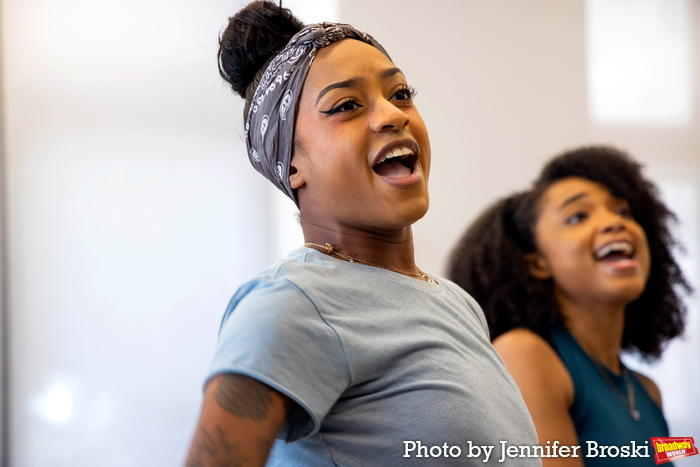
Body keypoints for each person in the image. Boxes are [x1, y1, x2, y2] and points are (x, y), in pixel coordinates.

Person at [185, 1, 540, 466]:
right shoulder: (291, 303)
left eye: (401, 93)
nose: (393, 115)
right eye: (347, 105)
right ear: (292, 164)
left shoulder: (457, 303)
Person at [449, 146, 690, 467]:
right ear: (537, 263)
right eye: (578, 216)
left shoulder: (648, 391)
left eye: (623, 212)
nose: (614, 223)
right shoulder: (525, 356)